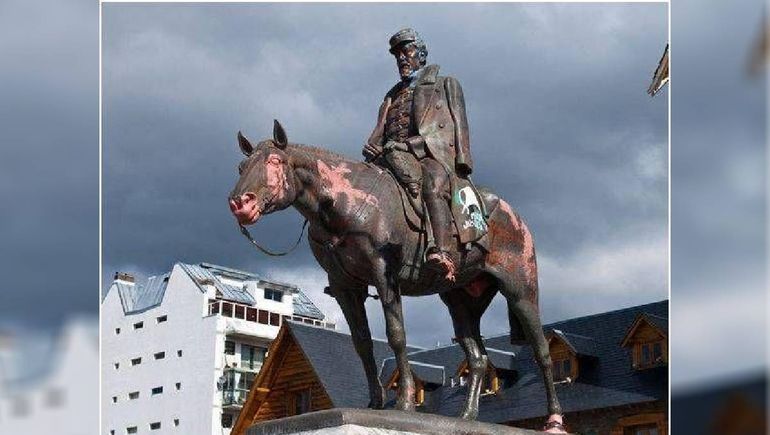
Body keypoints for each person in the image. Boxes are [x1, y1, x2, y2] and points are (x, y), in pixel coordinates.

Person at [363, 28, 473, 280]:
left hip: (431, 155)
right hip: (391, 157)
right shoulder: (391, 96)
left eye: (407, 51)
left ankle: (442, 251)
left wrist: (462, 162)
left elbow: (455, 127)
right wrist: (372, 145)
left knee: (432, 185)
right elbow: (379, 131)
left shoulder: (445, 84)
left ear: (421, 54)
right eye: (397, 55)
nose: (402, 58)